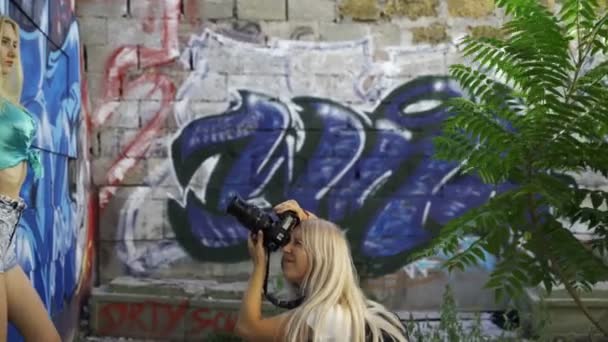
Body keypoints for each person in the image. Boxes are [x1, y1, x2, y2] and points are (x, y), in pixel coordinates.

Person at [235, 199, 408, 342]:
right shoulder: (350, 312)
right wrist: (308, 222)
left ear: (320, 257)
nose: (285, 249)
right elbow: (332, 252)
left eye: (297, 243)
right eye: (288, 241)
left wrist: (259, 265)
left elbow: (248, 328)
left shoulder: (324, 318)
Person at [0, 16, 61, 341]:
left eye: (14, 43)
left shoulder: (7, 99)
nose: (10, 51)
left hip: (6, 234)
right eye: (2, 42)